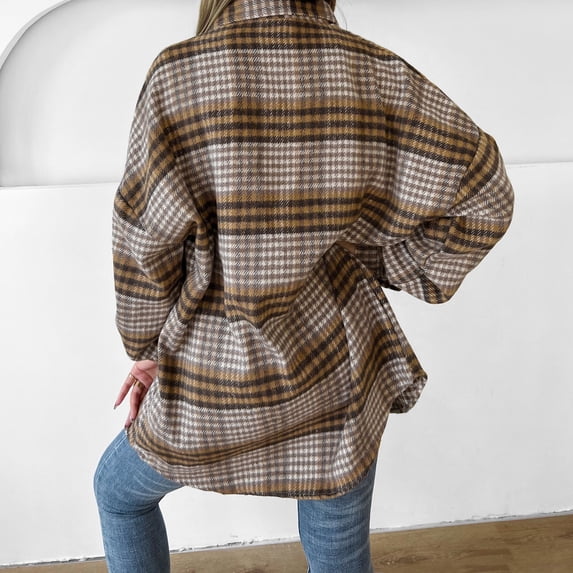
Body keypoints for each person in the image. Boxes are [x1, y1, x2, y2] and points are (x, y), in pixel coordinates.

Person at [94, 0, 514, 571]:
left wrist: (145, 348)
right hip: (337, 375)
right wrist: (380, 259)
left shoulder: (178, 74)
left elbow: (143, 247)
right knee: (338, 553)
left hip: (212, 384)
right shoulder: (375, 71)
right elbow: (487, 197)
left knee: (119, 496)